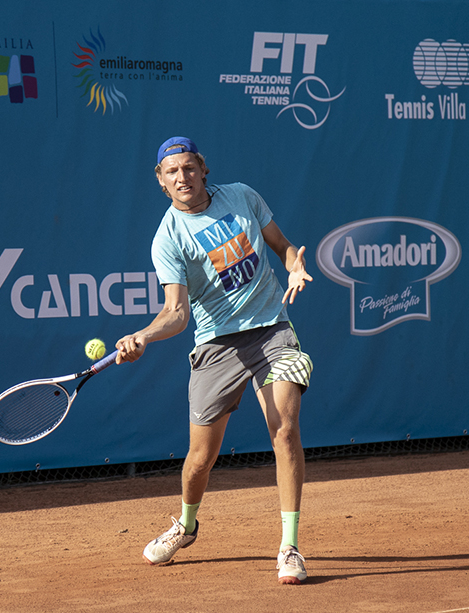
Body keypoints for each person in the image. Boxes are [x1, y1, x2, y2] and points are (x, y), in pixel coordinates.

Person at [114, 136, 314, 585]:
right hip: (216, 345)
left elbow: (280, 244)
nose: (181, 177)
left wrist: (294, 265)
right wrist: (143, 336)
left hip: (272, 330)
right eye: (172, 172)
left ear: (203, 169)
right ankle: (186, 526)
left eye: (188, 168)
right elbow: (177, 313)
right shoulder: (167, 237)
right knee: (199, 460)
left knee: (284, 429)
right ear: (161, 182)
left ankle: (290, 546)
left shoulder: (242, 196)